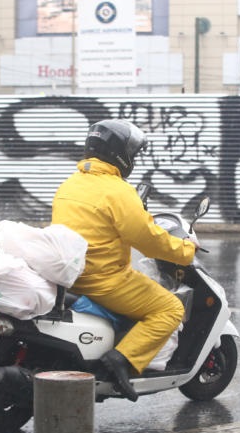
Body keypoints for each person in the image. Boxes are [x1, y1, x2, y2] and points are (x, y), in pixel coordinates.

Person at [52, 119, 198, 401]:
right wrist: (185, 250)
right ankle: (121, 359)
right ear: (120, 154)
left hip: (70, 276)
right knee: (169, 307)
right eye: (131, 152)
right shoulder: (117, 191)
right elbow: (148, 240)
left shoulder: (70, 184)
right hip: (104, 281)